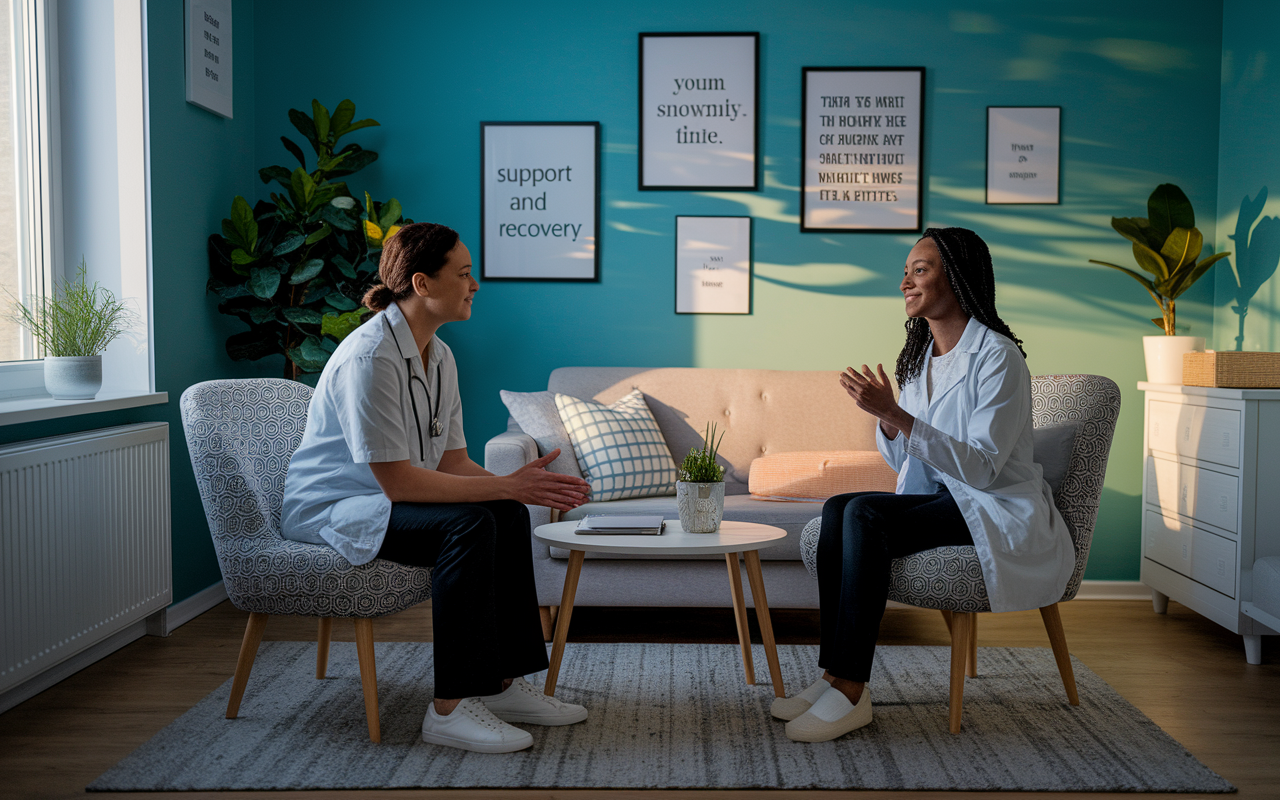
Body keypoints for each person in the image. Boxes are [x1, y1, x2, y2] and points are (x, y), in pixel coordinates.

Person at [280, 222, 592, 754]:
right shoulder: (370, 357)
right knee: (472, 523)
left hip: (388, 498)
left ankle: (500, 687)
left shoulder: (439, 355)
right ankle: (449, 708)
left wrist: (517, 487)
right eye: (464, 274)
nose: (475, 285)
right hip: (337, 507)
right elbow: (398, 482)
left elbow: (453, 462)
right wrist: (504, 488)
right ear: (422, 284)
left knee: (508, 514)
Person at [772, 227, 1075, 743]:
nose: (905, 283)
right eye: (906, 272)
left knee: (864, 516)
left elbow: (982, 468)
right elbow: (902, 456)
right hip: (940, 496)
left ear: (956, 277)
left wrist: (898, 415)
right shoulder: (921, 359)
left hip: (993, 503)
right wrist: (889, 421)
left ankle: (850, 689)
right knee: (839, 506)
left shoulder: (998, 357)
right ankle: (830, 676)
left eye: (920, 269)